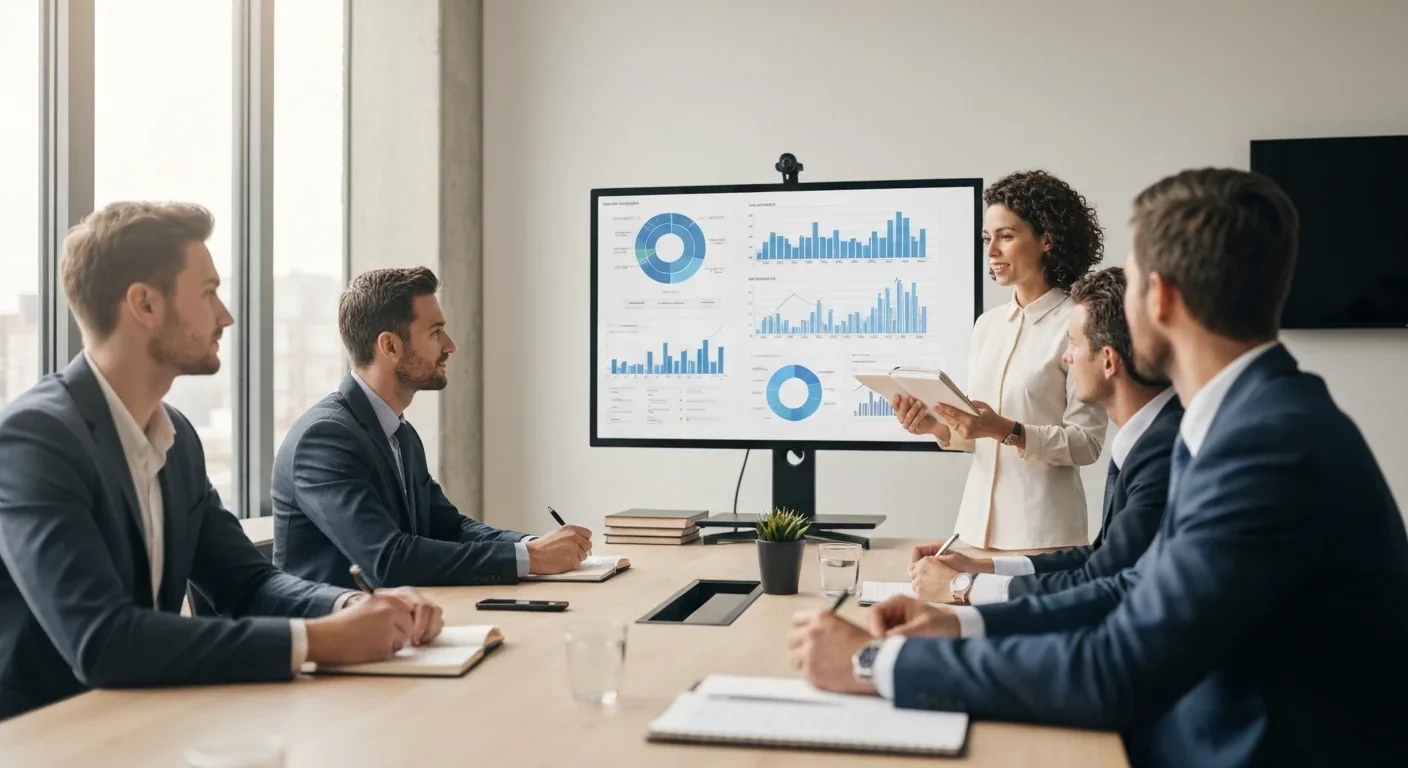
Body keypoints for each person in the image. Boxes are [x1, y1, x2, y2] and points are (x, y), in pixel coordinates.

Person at [789, 168, 1408, 766]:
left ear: (1159, 299)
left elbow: (1118, 666)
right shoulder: (1244, 421)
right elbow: (1132, 588)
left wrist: (876, 665)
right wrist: (960, 622)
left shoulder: (1264, 447)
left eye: (1130, 280)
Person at [0, 202, 442, 722]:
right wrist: (320, 639)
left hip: (143, 725)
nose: (226, 316)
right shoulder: (34, 440)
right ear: (144, 304)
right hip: (48, 739)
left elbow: (247, 582)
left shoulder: (177, 438)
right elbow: (103, 641)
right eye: (208, 293)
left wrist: (349, 608)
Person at [272, 267, 593, 590]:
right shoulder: (325, 439)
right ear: (391, 347)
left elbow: (450, 528)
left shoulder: (400, 434)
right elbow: (388, 560)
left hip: (401, 623)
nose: (450, 345)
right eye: (435, 332)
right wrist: (531, 557)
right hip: (335, 633)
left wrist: (535, 545)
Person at [908, 267, 1181, 604]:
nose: (1067, 356)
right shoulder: (1148, 439)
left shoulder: (1161, 453)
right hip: (980, 534)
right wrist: (979, 567)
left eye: (1074, 344)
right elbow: (1098, 557)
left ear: (1108, 361)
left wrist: (963, 587)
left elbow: (1101, 580)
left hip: (1045, 531)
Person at [894, 170, 1108, 550]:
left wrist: (1007, 430)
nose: (991, 251)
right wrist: (938, 427)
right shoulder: (987, 326)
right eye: (986, 238)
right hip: (973, 532)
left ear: (1047, 239)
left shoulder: (1078, 323)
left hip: (1043, 537)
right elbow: (980, 436)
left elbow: (1086, 443)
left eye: (1006, 237)